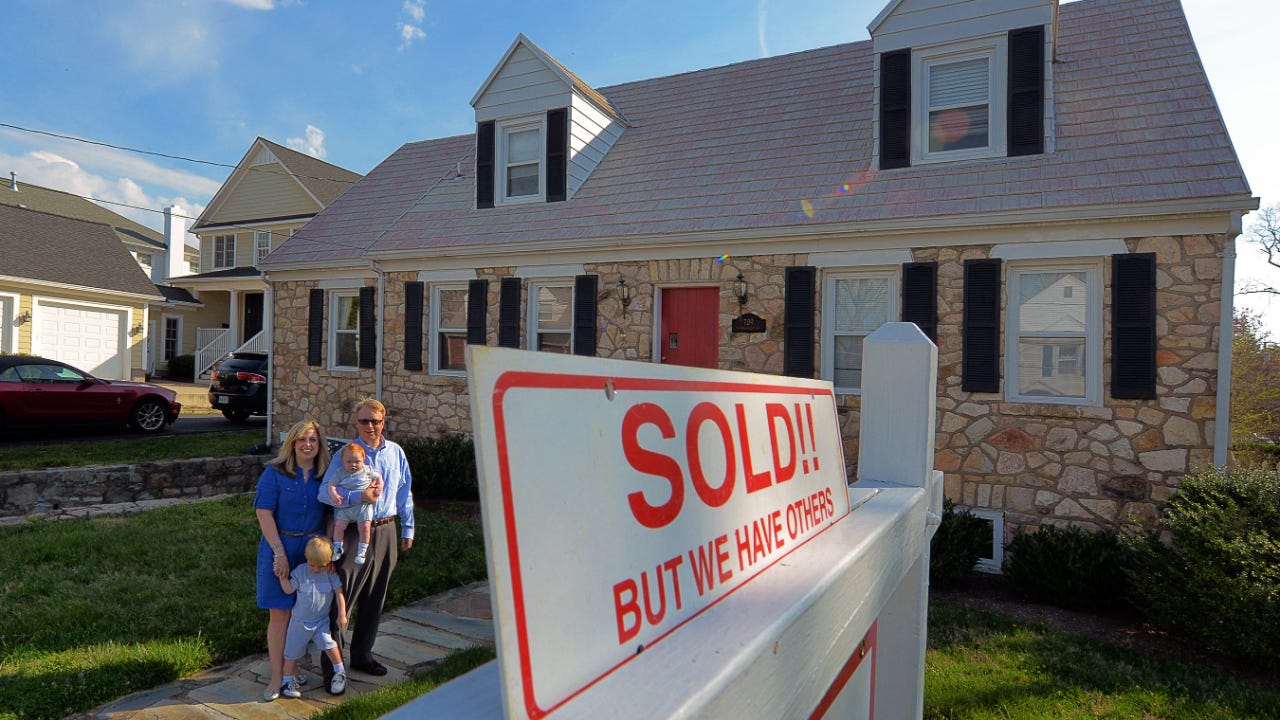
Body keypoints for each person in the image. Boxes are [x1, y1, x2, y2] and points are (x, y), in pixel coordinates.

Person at [318, 397, 414, 694]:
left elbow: (404, 491)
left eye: (376, 421)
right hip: (352, 534)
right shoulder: (346, 454)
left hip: (385, 531)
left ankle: (362, 655)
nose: (370, 426)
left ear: (384, 422)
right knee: (342, 598)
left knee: (375, 598)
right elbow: (324, 493)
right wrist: (354, 499)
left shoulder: (395, 452)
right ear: (355, 423)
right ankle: (333, 666)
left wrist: (408, 528)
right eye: (364, 421)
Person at [254, 418, 331, 703]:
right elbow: (264, 513)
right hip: (280, 545)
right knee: (280, 614)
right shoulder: (275, 473)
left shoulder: (326, 475)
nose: (307, 444)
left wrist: (329, 552)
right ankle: (277, 676)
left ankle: (292, 671)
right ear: (292, 444)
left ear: (319, 444)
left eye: (312, 439)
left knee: (304, 615)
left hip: (312, 552)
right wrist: (279, 552)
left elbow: (333, 514)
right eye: (302, 440)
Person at [278, 536, 349, 698]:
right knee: (292, 652)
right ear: (307, 559)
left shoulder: (330, 574)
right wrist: (282, 577)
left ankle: (340, 672)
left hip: (321, 622)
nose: (316, 570)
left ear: (328, 563)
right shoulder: (301, 572)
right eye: (312, 565)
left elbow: (339, 593)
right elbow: (289, 589)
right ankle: (287, 681)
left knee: (329, 644)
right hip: (299, 623)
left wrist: (342, 614)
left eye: (321, 566)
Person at [323, 443, 379, 565]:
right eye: (348, 462)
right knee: (339, 527)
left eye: (357, 461)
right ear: (342, 461)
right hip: (345, 508)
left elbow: (378, 478)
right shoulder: (340, 473)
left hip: (363, 508)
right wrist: (334, 495)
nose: (353, 465)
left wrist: (378, 487)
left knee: (364, 528)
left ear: (363, 459)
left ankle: (362, 551)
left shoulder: (367, 470)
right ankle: (337, 547)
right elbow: (330, 485)